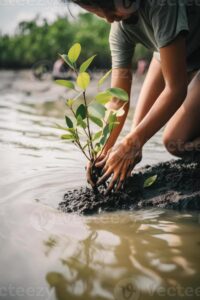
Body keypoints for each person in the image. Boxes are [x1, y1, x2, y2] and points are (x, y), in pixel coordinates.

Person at [68, 0, 200, 193]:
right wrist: (102, 152)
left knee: (174, 141)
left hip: (183, 50)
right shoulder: (119, 28)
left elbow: (176, 89)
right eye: (99, 13)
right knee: (143, 136)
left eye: (108, 8)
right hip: (180, 52)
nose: (108, 19)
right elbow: (117, 100)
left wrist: (131, 143)